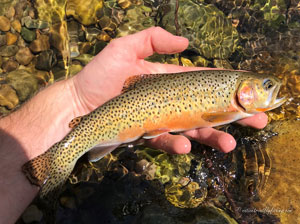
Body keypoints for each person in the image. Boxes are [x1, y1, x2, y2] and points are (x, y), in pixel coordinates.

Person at [0, 27, 267, 223]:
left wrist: (73, 99)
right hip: (122, 116)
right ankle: (56, 163)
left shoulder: (232, 99)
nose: (272, 91)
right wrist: (75, 99)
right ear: (244, 90)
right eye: (267, 86)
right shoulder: (227, 107)